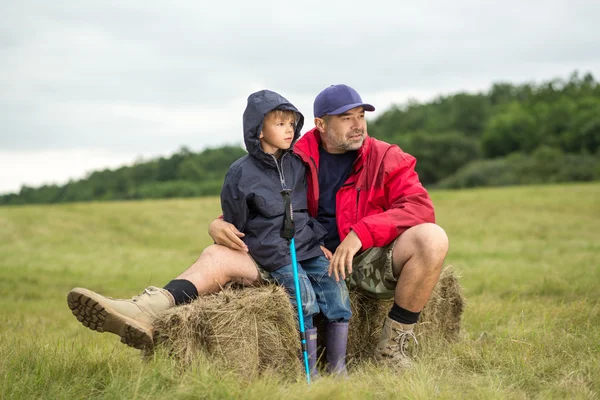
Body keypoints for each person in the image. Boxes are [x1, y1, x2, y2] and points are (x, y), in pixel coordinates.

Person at [67, 84, 448, 370]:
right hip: (294, 256)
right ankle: (146, 310)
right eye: (346, 118)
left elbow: (419, 206)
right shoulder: (295, 155)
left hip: (359, 261)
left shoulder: (386, 156)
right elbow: (258, 192)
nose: (357, 125)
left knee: (432, 238)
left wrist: (361, 233)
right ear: (319, 124)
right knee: (217, 254)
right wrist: (219, 224)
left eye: (361, 116)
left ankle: (390, 349)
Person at [221, 89, 352, 374]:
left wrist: (316, 241)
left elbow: (305, 209)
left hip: (305, 245)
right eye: (280, 124)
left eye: (292, 124)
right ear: (259, 130)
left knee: (336, 288)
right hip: (273, 251)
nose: (289, 130)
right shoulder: (239, 173)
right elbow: (235, 221)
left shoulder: (297, 164)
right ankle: (310, 372)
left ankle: (337, 369)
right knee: (304, 298)